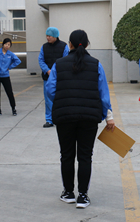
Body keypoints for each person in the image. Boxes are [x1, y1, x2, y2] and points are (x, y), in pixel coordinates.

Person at [46, 29, 115, 209]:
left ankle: (68, 193)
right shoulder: (96, 64)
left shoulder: (58, 64)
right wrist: (109, 117)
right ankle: (83, 196)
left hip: (65, 116)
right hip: (89, 117)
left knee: (67, 155)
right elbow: (103, 94)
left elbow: (50, 90)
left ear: (69, 44)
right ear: (86, 44)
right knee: (85, 156)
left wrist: (64, 99)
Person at [39, 27, 69, 128]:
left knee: (61, 98)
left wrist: (55, 71)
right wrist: (47, 71)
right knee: (48, 99)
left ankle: (61, 118)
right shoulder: (44, 47)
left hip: (60, 77)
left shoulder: (64, 46)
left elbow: (66, 60)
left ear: (55, 36)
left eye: (49, 36)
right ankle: (49, 119)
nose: (47, 38)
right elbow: (41, 60)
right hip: (47, 78)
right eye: (46, 36)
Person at [0, 38, 21, 116]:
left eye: (9, 45)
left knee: (9, 92)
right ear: (3, 44)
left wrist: (10, 67)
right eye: (6, 44)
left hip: (5, 75)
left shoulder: (10, 54)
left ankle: (13, 108)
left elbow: (18, 61)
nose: (7, 46)